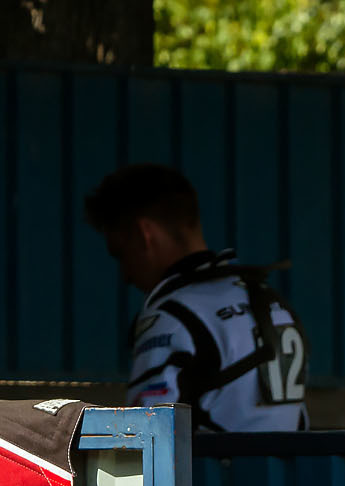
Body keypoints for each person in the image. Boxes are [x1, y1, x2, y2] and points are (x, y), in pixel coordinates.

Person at [83, 163, 308, 432]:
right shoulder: (270, 301)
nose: (126, 276)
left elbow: (143, 443)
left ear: (145, 235)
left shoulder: (172, 317)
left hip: (217, 474)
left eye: (120, 254)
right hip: (291, 472)